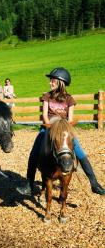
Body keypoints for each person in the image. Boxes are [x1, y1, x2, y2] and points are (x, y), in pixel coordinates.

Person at [17, 67, 105, 196]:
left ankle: (94, 183)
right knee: (34, 152)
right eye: (50, 81)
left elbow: (69, 119)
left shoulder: (69, 99)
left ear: (60, 82)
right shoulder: (47, 96)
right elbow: (45, 116)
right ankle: (29, 184)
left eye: (52, 81)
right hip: (48, 128)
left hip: (64, 129)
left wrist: (62, 129)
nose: (50, 83)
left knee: (80, 153)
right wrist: (51, 127)